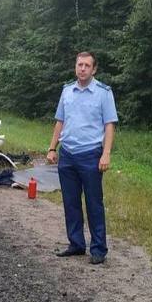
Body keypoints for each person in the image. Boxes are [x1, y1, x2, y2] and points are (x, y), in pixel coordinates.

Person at [46, 52, 118, 265]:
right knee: (70, 202)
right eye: (80, 64)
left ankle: (98, 249)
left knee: (94, 203)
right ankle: (76, 244)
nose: (83, 68)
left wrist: (106, 153)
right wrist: (52, 148)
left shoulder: (103, 93)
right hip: (67, 154)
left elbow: (110, 125)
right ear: (75, 67)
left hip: (90, 155)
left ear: (94, 69)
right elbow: (60, 121)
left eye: (87, 65)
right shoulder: (67, 91)